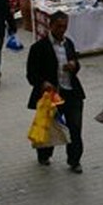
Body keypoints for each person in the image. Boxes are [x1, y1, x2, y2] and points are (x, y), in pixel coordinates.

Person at [26, 12, 86, 170]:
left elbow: (76, 62)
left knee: (75, 128)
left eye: (64, 27)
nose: (62, 30)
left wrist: (74, 66)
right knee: (48, 128)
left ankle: (74, 161)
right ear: (50, 25)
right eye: (58, 26)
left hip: (71, 92)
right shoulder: (39, 48)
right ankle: (44, 155)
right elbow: (31, 74)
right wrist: (43, 83)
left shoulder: (69, 44)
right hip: (50, 95)